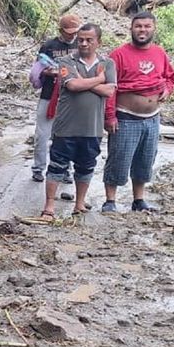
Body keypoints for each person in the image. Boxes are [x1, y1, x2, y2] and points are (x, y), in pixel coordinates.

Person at [102, 11, 174, 213]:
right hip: (125, 117)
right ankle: (110, 200)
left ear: (153, 28)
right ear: (131, 29)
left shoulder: (160, 53)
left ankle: (138, 199)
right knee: (118, 158)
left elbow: (170, 77)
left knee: (145, 159)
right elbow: (109, 88)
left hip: (152, 118)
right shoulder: (117, 55)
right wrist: (109, 116)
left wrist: (167, 89)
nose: (142, 30)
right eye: (138, 26)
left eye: (147, 26)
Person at [40, 24, 115, 218]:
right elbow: (72, 85)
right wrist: (99, 80)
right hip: (65, 127)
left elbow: (110, 91)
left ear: (99, 42)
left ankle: (79, 204)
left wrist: (86, 82)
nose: (83, 43)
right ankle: (49, 207)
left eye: (89, 40)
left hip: (93, 128)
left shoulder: (107, 64)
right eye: (80, 39)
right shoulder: (66, 61)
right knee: (57, 166)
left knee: (86, 167)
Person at [31, 14, 81, 183]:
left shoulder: (80, 43)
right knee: (42, 135)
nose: (72, 35)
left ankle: (65, 169)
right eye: (69, 32)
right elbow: (38, 69)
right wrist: (51, 72)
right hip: (49, 95)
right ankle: (38, 168)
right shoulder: (49, 46)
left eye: (75, 32)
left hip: (71, 98)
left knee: (67, 136)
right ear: (60, 30)